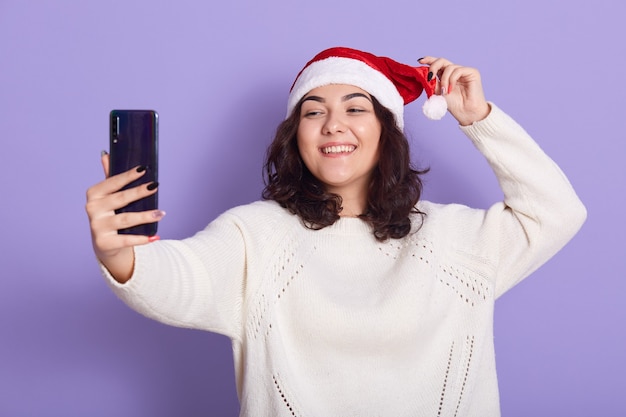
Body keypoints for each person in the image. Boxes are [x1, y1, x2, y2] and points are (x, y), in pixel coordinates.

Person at [85, 47, 586, 416]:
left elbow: (557, 211)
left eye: (355, 108)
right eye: (313, 111)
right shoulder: (255, 235)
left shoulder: (457, 238)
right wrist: (117, 252)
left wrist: (479, 119)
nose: (333, 125)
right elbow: (176, 279)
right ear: (295, 136)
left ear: (387, 130)